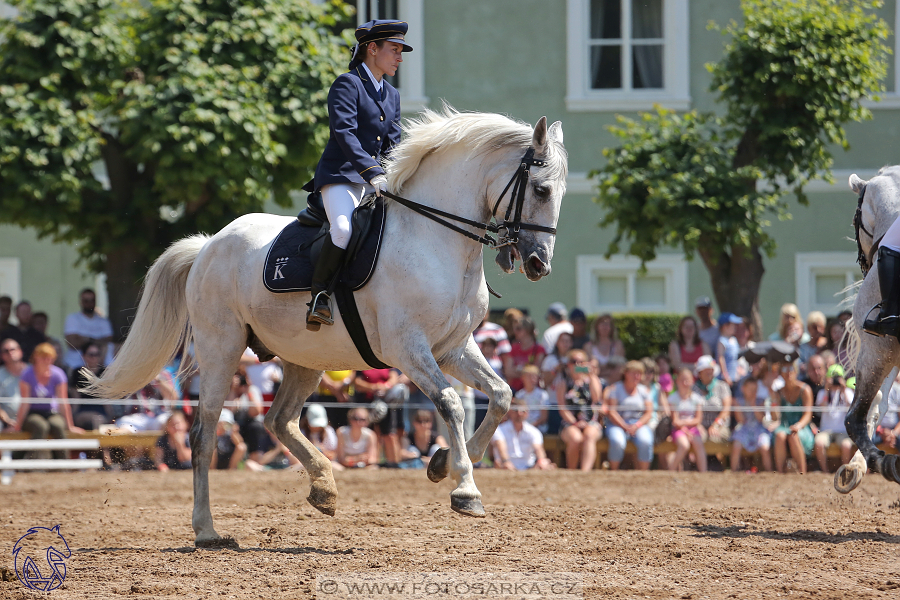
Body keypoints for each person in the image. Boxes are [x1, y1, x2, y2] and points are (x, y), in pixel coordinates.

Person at [303, 19, 412, 329]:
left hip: (375, 179)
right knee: (342, 229)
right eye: (394, 50)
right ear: (372, 49)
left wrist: (398, 175)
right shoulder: (347, 83)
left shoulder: (392, 95)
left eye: (401, 51)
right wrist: (373, 172)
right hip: (342, 176)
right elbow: (344, 133)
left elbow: (393, 143)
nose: (400, 58)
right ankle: (320, 296)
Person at [15, 343, 83, 458]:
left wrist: (70, 426)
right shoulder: (27, 374)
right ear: (36, 357)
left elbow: (63, 402)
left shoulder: (58, 374)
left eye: (49, 358)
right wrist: (18, 426)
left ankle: (63, 464)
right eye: (44, 357)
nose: (47, 361)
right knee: (40, 426)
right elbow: (25, 403)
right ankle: (33, 462)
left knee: (57, 425)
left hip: (52, 412)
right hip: (33, 413)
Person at [556, 349, 604, 470]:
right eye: (574, 361)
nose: (577, 365)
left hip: (591, 421)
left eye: (581, 362)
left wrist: (592, 375)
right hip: (570, 422)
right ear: (568, 364)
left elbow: (596, 398)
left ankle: (584, 473)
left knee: (589, 435)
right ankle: (573, 472)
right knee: (575, 438)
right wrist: (575, 423)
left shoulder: (593, 380)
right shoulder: (563, 383)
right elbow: (562, 408)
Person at [604, 360, 655, 471]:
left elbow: (648, 413)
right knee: (617, 441)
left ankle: (643, 474)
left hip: (638, 424)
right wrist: (624, 426)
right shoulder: (615, 389)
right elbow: (612, 411)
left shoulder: (644, 391)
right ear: (625, 373)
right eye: (634, 373)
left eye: (639, 373)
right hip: (617, 424)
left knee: (645, 441)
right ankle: (614, 471)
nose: (637, 376)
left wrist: (637, 425)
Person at [353, 368, 406, 465]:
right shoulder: (362, 364)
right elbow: (357, 382)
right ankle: (373, 463)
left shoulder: (385, 362)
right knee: (371, 434)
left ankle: (395, 464)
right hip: (367, 403)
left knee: (390, 435)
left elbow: (393, 377)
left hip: (385, 403)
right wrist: (373, 387)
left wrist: (385, 386)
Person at [771, 360, 814, 474]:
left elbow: (808, 415)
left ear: (796, 371)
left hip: (801, 427)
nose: (788, 373)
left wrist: (798, 426)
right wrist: (773, 399)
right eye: (784, 370)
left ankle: (802, 471)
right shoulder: (778, 392)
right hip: (784, 426)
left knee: (793, 435)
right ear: (780, 373)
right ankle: (780, 472)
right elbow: (775, 416)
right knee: (780, 435)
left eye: (791, 369)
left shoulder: (805, 390)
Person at [491, 398, 555, 470]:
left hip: (529, 468)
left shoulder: (534, 431)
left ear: (527, 413)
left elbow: (538, 449)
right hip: (506, 466)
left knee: (545, 465)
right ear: (509, 412)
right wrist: (506, 461)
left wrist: (541, 461)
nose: (519, 413)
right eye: (515, 410)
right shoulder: (499, 430)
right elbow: (501, 448)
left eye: (523, 411)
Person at [813, 365, 854, 472]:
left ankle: (845, 471)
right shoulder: (822, 393)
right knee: (819, 443)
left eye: (838, 378)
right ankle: (825, 471)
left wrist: (843, 389)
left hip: (843, 432)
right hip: (826, 430)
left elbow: (851, 408)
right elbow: (822, 407)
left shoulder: (848, 392)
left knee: (846, 444)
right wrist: (827, 389)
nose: (836, 381)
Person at [63, 289, 114, 370]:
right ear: (81, 302)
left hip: (101, 367)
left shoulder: (103, 321)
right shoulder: (72, 318)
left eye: (92, 300)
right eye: (86, 301)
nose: (89, 303)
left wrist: (84, 339)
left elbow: (108, 340)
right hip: (75, 365)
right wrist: (97, 340)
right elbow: (72, 342)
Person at [730, 377, 773, 472]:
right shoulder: (739, 402)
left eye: (755, 390)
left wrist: (754, 405)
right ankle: (733, 471)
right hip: (744, 428)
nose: (753, 392)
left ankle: (769, 471)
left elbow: (761, 419)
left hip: (759, 429)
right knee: (736, 445)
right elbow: (741, 420)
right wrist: (737, 407)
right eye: (750, 389)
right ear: (743, 389)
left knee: (764, 446)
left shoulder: (760, 401)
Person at [668, 368, 707, 472]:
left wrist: (685, 424)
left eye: (688, 380)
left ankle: (704, 472)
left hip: (693, 429)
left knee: (698, 443)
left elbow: (698, 419)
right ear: (677, 382)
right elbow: (675, 421)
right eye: (682, 380)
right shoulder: (673, 398)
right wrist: (685, 429)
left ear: (692, 381)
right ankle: (671, 470)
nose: (685, 383)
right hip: (678, 430)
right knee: (684, 445)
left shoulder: (696, 398)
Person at [70, 341, 112, 430]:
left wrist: (111, 415)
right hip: (83, 409)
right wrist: (72, 416)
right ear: (84, 356)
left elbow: (106, 397)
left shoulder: (105, 373)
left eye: (97, 354)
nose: (94, 357)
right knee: (93, 420)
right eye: (91, 354)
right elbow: (75, 397)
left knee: (97, 420)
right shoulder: (77, 372)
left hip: (100, 409)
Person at [693, 355, 732, 445]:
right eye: (705, 369)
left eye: (710, 369)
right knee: (697, 438)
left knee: (713, 439)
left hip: (720, 425)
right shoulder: (693, 389)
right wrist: (698, 425)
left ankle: (716, 459)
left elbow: (726, 410)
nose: (709, 372)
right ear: (699, 373)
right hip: (699, 426)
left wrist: (715, 425)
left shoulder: (722, 386)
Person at [503, 316, 546, 392]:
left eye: (518, 328)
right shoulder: (514, 348)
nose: (515, 331)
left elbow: (536, 372)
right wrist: (526, 372)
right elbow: (508, 372)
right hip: (515, 390)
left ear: (528, 330)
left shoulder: (539, 349)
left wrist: (517, 369)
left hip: (532, 391)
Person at [584, 313, 625, 381]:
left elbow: (620, 367)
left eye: (607, 324)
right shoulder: (588, 346)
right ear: (596, 327)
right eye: (602, 324)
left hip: (614, 383)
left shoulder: (618, 345)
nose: (605, 327)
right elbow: (585, 367)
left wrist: (599, 369)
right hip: (594, 382)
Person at [517, 365, 550, 433]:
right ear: (523, 378)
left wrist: (530, 427)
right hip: (521, 427)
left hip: (538, 428)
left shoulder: (542, 395)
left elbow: (543, 417)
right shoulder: (519, 395)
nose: (532, 380)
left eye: (534, 377)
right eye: (529, 376)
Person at [0, 338, 25, 431]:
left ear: (20, 351)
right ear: (2, 355)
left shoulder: (31, 372)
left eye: (13, 349)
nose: (10, 352)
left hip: (31, 417)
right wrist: (7, 421)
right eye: (6, 351)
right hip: (6, 422)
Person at [799, 354, 827, 430]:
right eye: (813, 369)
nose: (816, 372)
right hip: (808, 425)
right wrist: (810, 425)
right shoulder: (803, 387)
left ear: (825, 369)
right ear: (808, 370)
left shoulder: (830, 386)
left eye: (819, 368)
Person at [716, 313, 742, 388]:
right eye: (733, 325)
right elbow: (721, 358)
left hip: (735, 377)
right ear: (725, 326)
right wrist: (725, 375)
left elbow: (736, 358)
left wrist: (739, 371)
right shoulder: (722, 341)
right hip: (725, 379)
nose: (735, 327)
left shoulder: (734, 340)